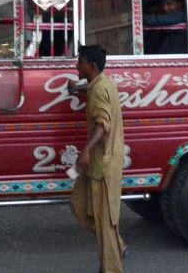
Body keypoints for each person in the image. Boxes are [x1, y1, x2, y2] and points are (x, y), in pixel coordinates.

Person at [69, 45, 126, 273]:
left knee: (104, 221)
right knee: (78, 205)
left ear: (91, 66)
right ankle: (118, 244)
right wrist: (77, 89)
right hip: (94, 164)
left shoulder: (100, 89)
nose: (76, 66)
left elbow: (103, 123)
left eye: (80, 62)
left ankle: (111, 267)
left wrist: (84, 151)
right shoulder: (102, 83)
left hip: (102, 164)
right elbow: (94, 92)